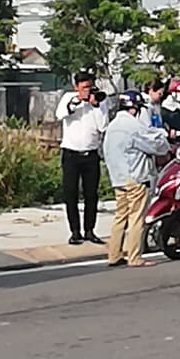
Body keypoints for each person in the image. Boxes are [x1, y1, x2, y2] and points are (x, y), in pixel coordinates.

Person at [101, 90, 172, 268]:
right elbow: (157, 147)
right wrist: (164, 138)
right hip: (136, 178)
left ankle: (114, 254)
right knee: (136, 218)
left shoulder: (112, 126)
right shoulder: (133, 126)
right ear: (134, 108)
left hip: (118, 178)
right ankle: (134, 256)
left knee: (120, 217)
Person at [56, 71, 107, 246]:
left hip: (91, 154)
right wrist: (77, 101)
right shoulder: (68, 97)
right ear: (76, 87)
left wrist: (96, 106)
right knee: (70, 193)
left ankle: (90, 230)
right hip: (71, 154)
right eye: (84, 87)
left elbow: (103, 126)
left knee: (91, 194)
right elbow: (60, 114)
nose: (87, 90)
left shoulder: (99, 101)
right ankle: (75, 231)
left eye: (89, 87)